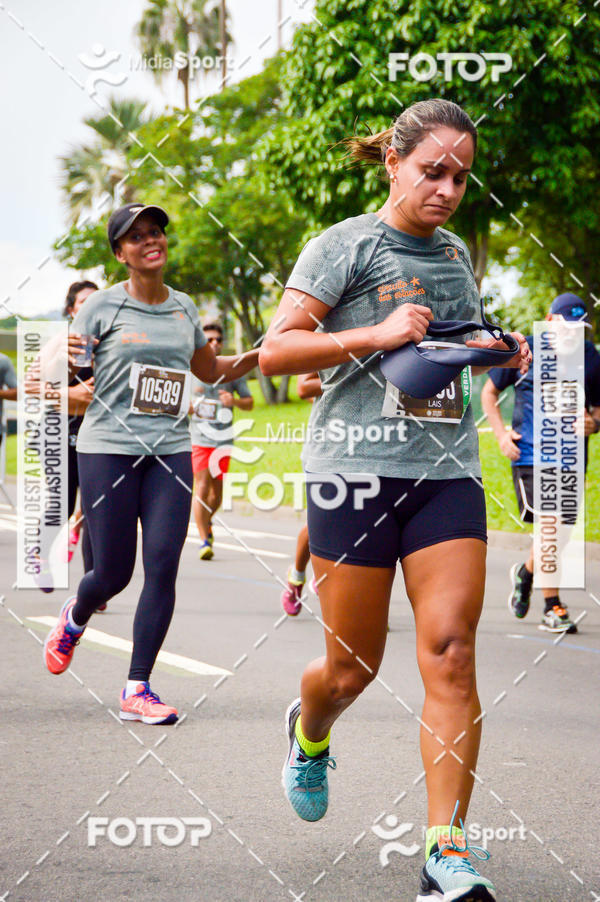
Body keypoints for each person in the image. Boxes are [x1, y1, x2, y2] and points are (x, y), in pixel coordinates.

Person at [259, 99, 530, 901]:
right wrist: (375, 336)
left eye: (461, 176)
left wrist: (492, 349)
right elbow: (275, 353)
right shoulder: (344, 246)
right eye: (432, 171)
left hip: (445, 473)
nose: (447, 188)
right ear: (394, 164)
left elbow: (447, 349)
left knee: (451, 651)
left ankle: (445, 854)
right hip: (353, 472)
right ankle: (310, 733)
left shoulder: (453, 254)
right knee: (351, 671)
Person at [43, 202, 258, 725]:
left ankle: (137, 687)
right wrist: (57, 381)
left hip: (168, 452)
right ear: (121, 254)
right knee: (112, 574)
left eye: (156, 232)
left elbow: (211, 368)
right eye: (136, 237)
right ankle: (74, 616)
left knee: (163, 565)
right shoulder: (99, 310)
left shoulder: (185, 309)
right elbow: (62, 372)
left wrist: (262, 354)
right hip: (107, 449)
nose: (150, 241)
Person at [482, 293, 600, 633]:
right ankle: (553, 607)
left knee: (560, 533)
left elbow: (598, 408)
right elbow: (489, 393)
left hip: (572, 457)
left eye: (579, 328)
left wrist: (594, 423)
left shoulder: (589, 357)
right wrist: (502, 435)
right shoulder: (525, 350)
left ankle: (526, 572)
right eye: (567, 326)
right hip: (531, 455)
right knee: (550, 525)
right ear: (549, 321)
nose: (573, 334)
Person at [190, 322, 254, 560]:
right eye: (209, 339)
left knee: (216, 494)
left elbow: (249, 403)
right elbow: (177, 402)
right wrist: (190, 407)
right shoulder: (189, 366)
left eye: (218, 339)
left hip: (224, 437)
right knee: (202, 486)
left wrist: (234, 401)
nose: (214, 343)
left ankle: (207, 522)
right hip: (199, 437)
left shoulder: (231, 369)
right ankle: (204, 538)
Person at [281, 372, 322, 616]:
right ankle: (296, 576)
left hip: (382, 447)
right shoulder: (329, 333)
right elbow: (304, 387)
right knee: (320, 520)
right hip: (332, 446)